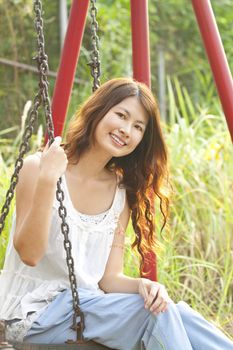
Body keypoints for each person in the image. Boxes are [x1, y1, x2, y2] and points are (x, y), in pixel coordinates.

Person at [0, 78, 232, 349]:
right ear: (98, 110)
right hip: (32, 311)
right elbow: (29, 254)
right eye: (121, 115)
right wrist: (48, 180)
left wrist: (145, 286)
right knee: (154, 314)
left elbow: (109, 279)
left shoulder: (120, 193)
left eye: (137, 127)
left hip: (88, 309)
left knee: (171, 309)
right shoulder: (39, 168)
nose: (125, 130)